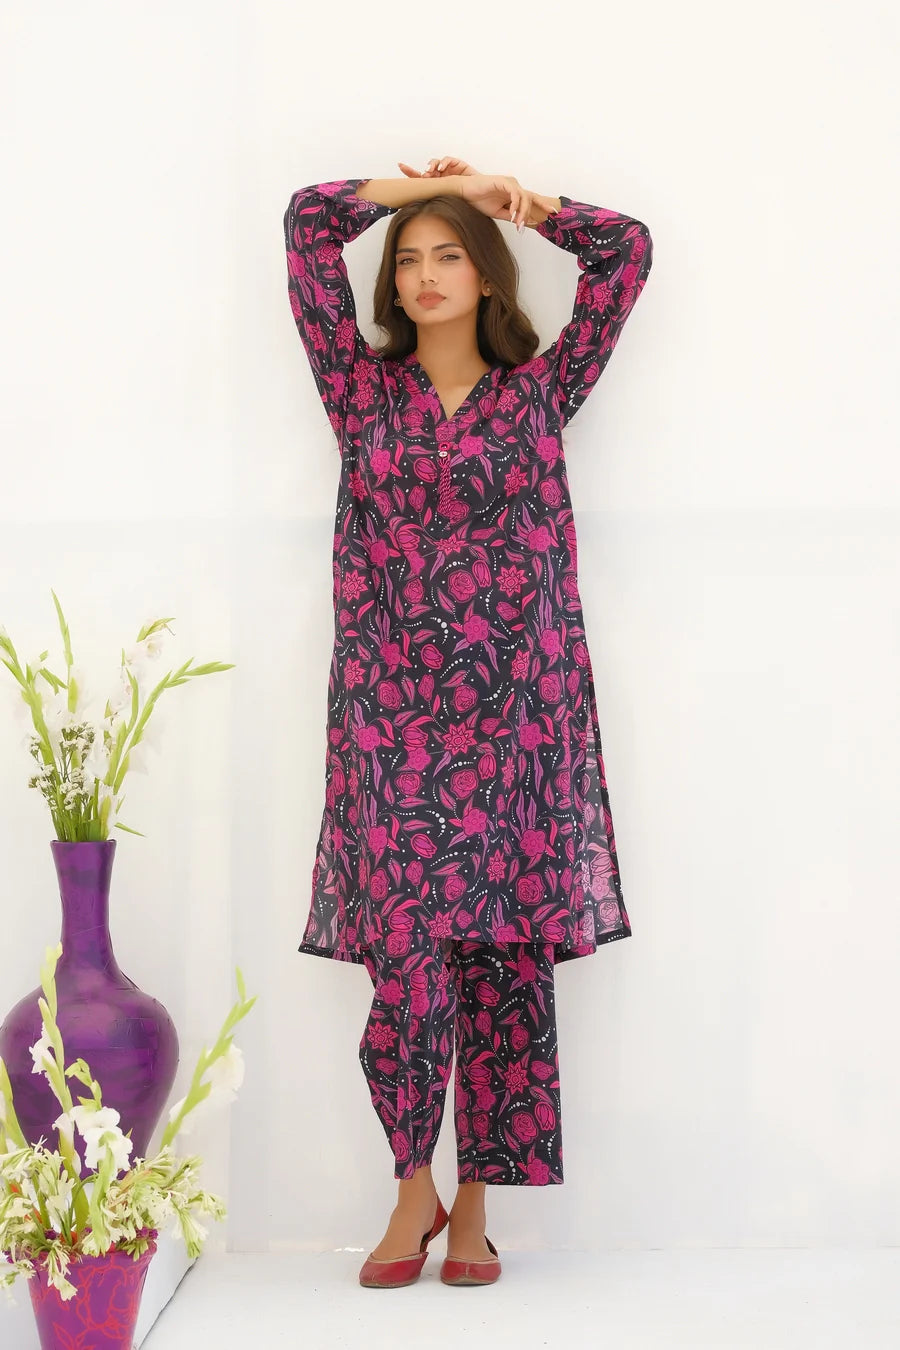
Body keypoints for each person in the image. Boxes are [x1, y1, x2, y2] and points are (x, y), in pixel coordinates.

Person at [283, 156, 653, 1288]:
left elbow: (627, 250)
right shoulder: (359, 392)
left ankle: (476, 1210)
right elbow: (306, 226)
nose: (426, 274)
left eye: (450, 255)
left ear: (488, 275)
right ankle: (413, 1187)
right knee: (405, 955)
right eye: (409, 259)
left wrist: (516, 197)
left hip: (517, 723)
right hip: (391, 719)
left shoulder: (541, 391)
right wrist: (410, 185)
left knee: (499, 958)